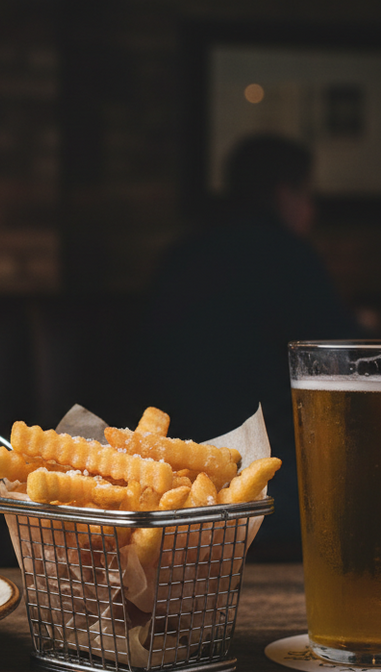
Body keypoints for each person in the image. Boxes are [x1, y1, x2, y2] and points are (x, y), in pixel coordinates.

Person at [140, 133, 364, 560]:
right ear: (285, 193)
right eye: (308, 195)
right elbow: (347, 358)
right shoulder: (289, 256)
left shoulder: (181, 256)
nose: (312, 210)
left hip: (171, 475)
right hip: (270, 483)